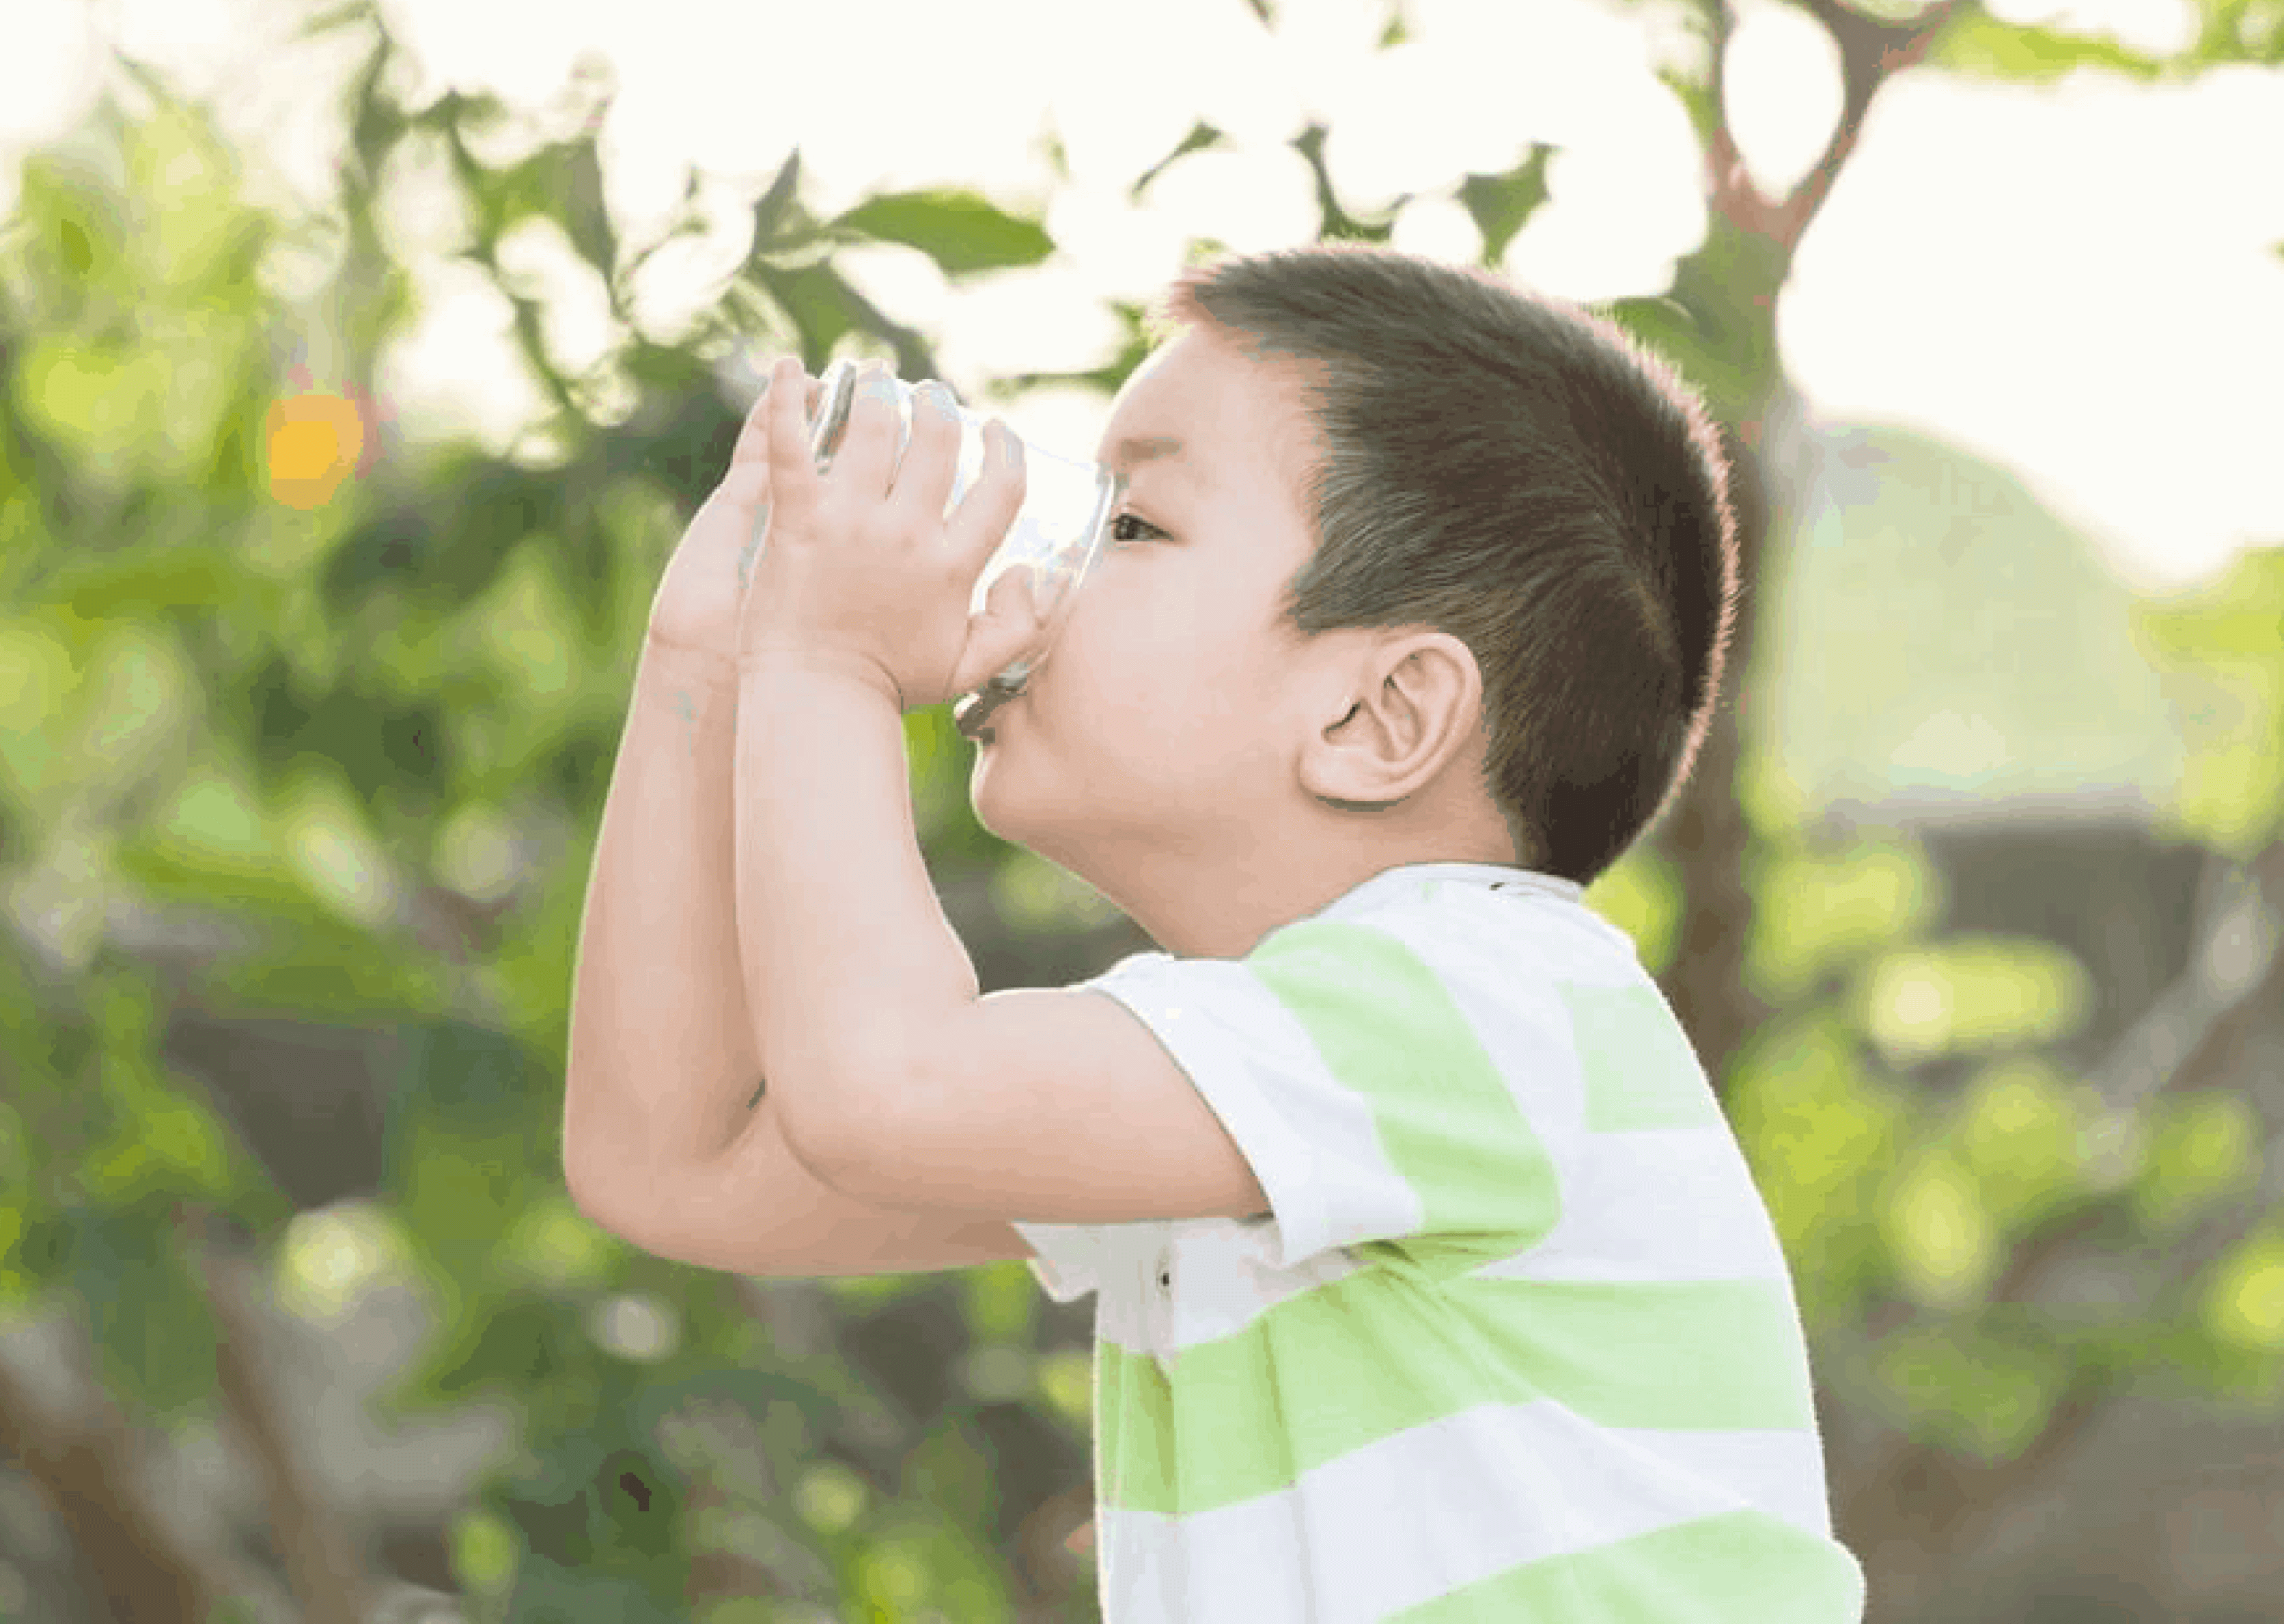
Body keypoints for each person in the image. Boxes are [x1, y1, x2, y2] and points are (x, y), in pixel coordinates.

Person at [568, 241, 1867, 1623]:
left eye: (1132, 525)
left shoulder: (1484, 996)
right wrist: (707, 662)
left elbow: (884, 1089)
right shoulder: (1254, 1097)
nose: (1050, 563)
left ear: (1379, 717)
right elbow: (677, 1163)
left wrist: (826, 660)